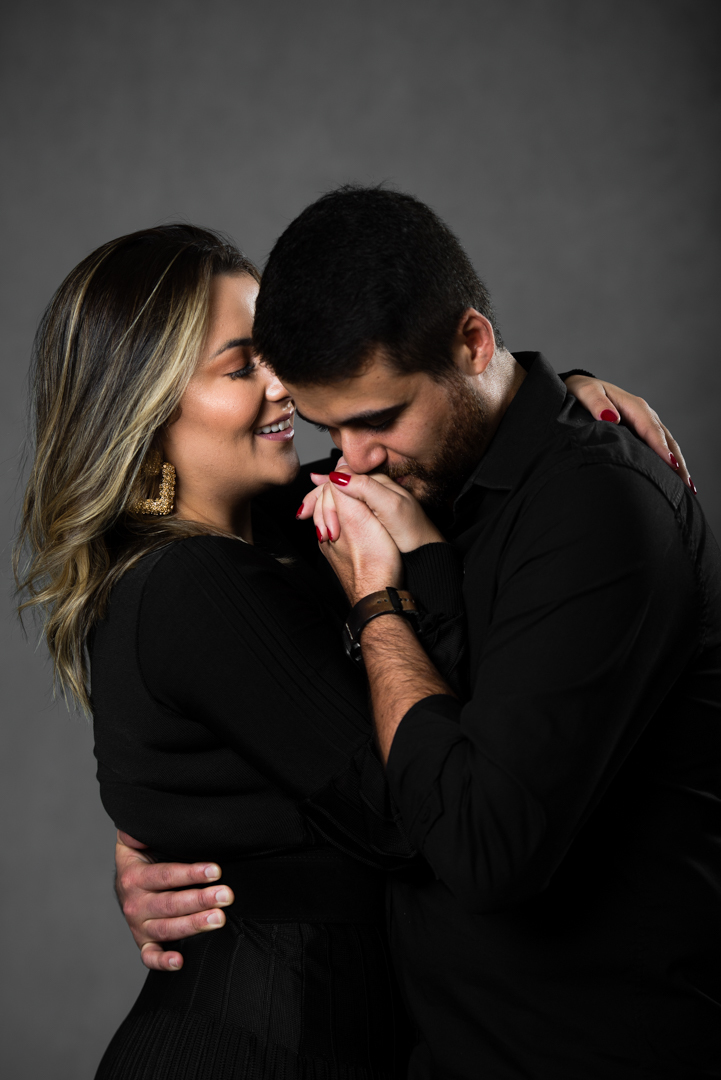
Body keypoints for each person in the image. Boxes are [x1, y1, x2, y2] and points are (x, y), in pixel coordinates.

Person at [118, 187, 720, 1079]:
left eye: (375, 420)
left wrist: (378, 607)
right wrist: (159, 840)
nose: (350, 459)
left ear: (473, 343)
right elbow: (201, 646)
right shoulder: (398, 475)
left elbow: (481, 849)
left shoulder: (598, 507)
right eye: (329, 427)